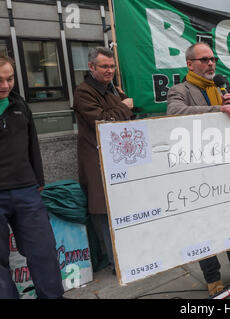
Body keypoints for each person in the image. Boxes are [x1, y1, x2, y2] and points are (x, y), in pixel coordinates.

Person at [167, 42, 230, 297]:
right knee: (204, 226)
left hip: (225, 167)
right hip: (198, 170)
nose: (211, 63)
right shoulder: (179, 90)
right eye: (204, 60)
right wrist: (218, 110)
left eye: (213, 59)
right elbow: (175, 112)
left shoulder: (219, 88)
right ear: (190, 64)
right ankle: (213, 279)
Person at [0, 55, 64, 299]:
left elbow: (32, 145)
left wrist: (38, 181)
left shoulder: (20, 106)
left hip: (26, 190)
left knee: (43, 251)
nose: (5, 85)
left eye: (10, 79)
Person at [72, 47, 134, 273]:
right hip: (97, 161)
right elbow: (102, 122)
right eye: (104, 66)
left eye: (112, 66)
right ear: (91, 67)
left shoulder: (113, 89)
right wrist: (124, 106)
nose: (110, 70)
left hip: (118, 158)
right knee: (106, 215)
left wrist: (123, 102)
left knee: (122, 210)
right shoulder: (83, 92)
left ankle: (128, 256)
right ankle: (116, 262)